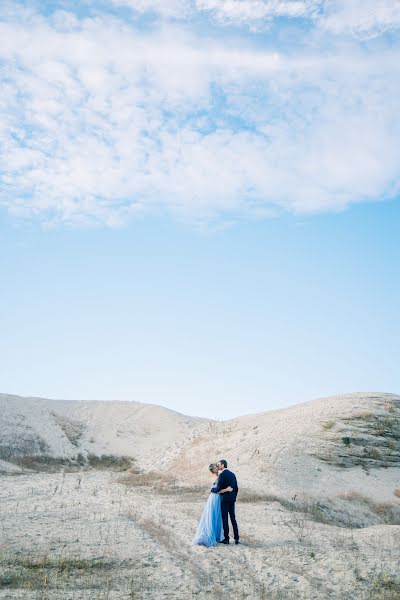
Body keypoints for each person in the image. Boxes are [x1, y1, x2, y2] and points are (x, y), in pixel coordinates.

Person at [193, 463, 233, 547]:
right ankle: (211, 535)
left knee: (217, 516)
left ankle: (217, 535)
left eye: (217, 466)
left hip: (218, 498)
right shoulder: (216, 477)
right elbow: (215, 490)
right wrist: (226, 489)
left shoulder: (219, 475)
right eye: (215, 467)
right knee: (213, 515)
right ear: (213, 470)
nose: (217, 467)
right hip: (215, 498)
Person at [211, 459, 239, 545]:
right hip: (232, 500)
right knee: (233, 518)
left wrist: (212, 489)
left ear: (223, 465)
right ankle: (236, 538)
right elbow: (236, 488)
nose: (218, 466)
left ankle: (226, 539)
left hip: (224, 499)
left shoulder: (222, 475)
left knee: (225, 519)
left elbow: (218, 488)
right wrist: (234, 497)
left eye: (219, 464)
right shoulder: (233, 474)